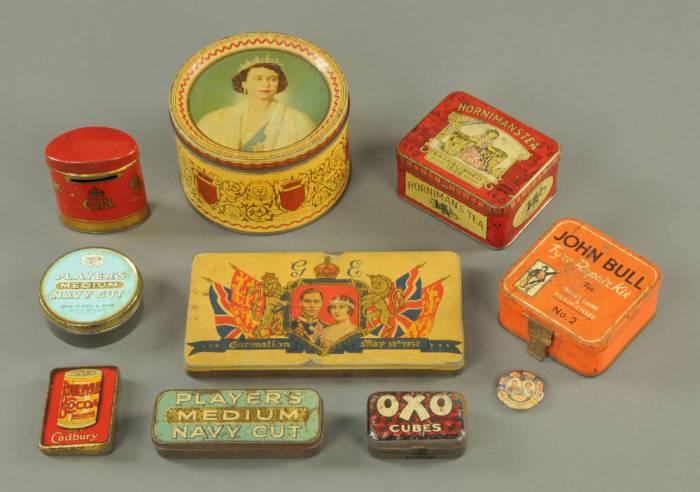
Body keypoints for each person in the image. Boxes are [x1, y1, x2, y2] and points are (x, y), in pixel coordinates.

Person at [197, 60, 316, 151]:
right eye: (258, 79)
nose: (266, 84)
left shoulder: (298, 120)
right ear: (244, 84)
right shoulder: (215, 119)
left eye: (273, 79)